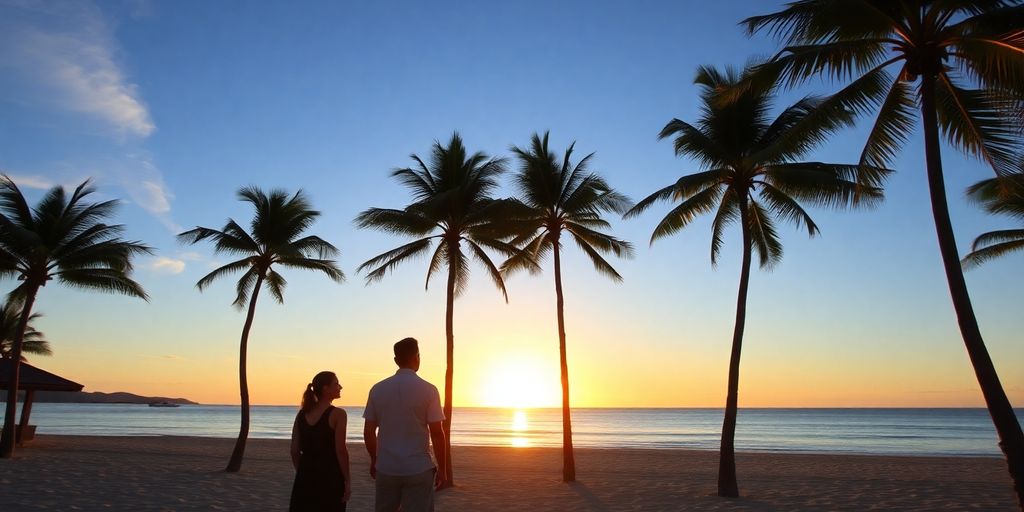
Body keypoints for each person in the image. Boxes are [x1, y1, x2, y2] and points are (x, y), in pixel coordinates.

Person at [363, 337, 447, 512]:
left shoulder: (378, 389)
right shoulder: (428, 390)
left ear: (396, 360)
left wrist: (374, 459)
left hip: (386, 467)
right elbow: (437, 433)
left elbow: (369, 432)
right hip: (418, 467)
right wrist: (442, 469)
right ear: (417, 357)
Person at [290, 371, 352, 512]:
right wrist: (347, 480)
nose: (340, 387)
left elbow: (294, 450)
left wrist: (302, 472)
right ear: (325, 388)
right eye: (336, 384)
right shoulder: (338, 414)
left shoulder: (302, 414)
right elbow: (341, 450)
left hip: (305, 474)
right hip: (330, 476)